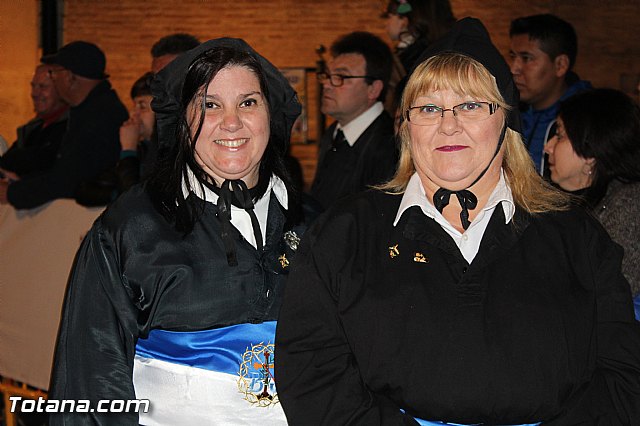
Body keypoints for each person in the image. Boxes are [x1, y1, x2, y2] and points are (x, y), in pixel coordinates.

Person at [276, 17, 640, 424]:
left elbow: (623, 373)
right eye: (429, 107)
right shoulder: (344, 233)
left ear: (506, 121)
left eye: (470, 105)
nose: (448, 124)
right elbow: (312, 373)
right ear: (407, 125)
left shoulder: (576, 234)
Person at [49, 38, 305, 425]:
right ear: (181, 120)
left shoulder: (315, 225)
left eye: (248, 102)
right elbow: (90, 380)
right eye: (209, 105)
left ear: (272, 113)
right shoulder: (131, 230)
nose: (231, 122)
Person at [544, 88, 640, 319]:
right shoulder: (557, 198)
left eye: (560, 135)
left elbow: (609, 296)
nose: (548, 147)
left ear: (590, 152)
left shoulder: (628, 206)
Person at [0, 41, 128, 210]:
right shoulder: (89, 110)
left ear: (69, 77)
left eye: (54, 74)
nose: (53, 79)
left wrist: (12, 192)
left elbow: (69, 179)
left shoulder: (100, 116)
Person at [310, 31, 397, 210]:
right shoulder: (334, 133)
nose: (326, 84)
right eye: (327, 75)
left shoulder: (391, 145)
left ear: (373, 89)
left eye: (341, 77)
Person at [509, 14, 591, 174]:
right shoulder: (509, 114)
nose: (514, 69)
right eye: (512, 56)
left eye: (526, 58)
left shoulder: (588, 124)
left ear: (560, 65)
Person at [74, 72, 156, 206]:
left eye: (142, 106)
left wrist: (129, 151)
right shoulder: (143, 150)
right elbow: (84, 191)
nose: (133, 114)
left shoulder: (169, 155)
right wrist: (117, 195)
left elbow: (136, 204)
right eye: (134, 106)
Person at [383, 0, 455, 114]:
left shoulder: (415, 56)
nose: (386, 23)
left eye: (389, 16)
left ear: (404, 20)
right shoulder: (439, 48)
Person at [0, 63, 69, 177]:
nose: (34, 93)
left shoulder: (70, 129)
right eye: (33, 86)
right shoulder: (33, 128)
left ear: (61, 89)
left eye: (43, 87)